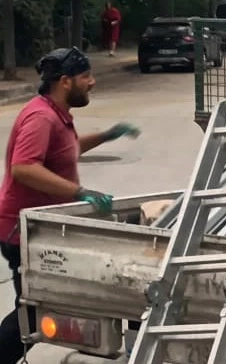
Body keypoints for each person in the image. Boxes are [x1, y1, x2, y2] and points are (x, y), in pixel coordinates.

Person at [0, 48, 140, 364]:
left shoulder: (55, 114)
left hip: (41, 228)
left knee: (46, 303)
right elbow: (24, 167)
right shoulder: (41, 117)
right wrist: (79, 192)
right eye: (85, 76)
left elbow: (67, 150)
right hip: (23, 232)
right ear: (65, 81)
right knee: (32, 312)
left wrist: (107, 135)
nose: (92, 82)